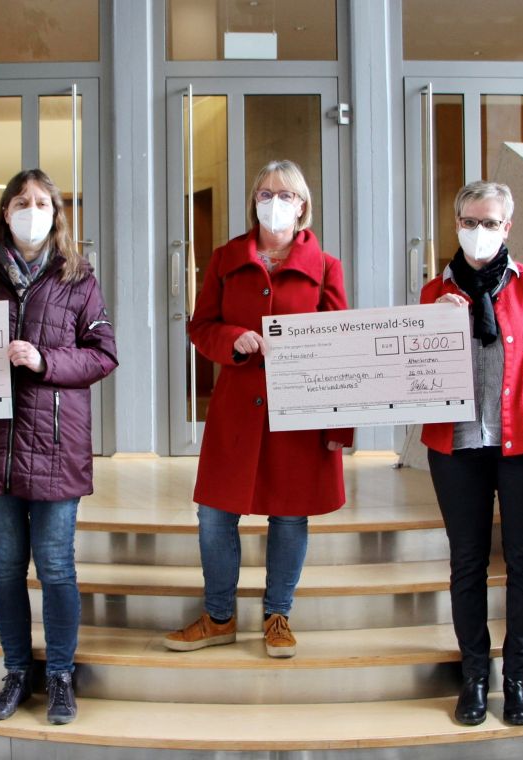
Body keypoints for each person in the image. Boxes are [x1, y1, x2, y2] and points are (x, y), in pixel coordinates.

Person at [164, 160, 352, 659]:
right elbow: (200, 326)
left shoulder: (326, 267)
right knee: (214, 515)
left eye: (286, 194)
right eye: (266, 192)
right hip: (237, 411)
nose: (275, 201)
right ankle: (219, 616)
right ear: (254, 200)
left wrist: (340, 425)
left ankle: (277, 615)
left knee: (289, 517)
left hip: (300, 411)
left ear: (303, 205)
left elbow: (342, 345)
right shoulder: (227, 258)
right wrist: (232, 339)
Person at [0, 169, 118, 726]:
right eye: (21, 201)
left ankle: (59, 677)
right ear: (5, 212)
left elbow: (103, 355)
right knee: (5, 570)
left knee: (55, 568)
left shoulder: (79, 278)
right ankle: (16, 671)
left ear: (57, 213)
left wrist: (46, 361)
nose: (31, 209)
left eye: (42, 202)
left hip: (55, 445)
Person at [421, 181, 523, 727]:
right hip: (457, 446)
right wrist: (438, 328)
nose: (478, 232)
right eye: (470, 221)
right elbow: (414, 377)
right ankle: (475, 676)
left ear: (507, 228)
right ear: (456, 223)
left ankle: (516, 677)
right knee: (466, 562)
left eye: (490, 223)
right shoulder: (432, 292)